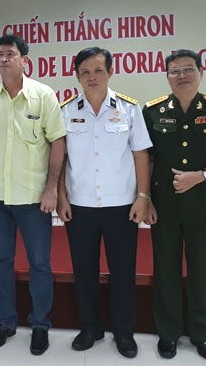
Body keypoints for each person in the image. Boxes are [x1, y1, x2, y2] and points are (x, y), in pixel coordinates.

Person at [143, 49, 206, 361]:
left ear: (201, 72)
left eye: (188, 69)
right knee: (166, 270)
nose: (182, 75)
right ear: (167, 76)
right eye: (175, 71)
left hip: (201, 203)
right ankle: (168, 334)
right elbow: (145, 159)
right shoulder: (153, 111)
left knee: (200, 270)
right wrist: (144, 199)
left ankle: (202, 334)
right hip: (165, 206)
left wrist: (199, 176)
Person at [57, 47, 152, 359]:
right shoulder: (67, 109)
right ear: (77, 77)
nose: (92, 77)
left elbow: (141, 155)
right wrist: (60, 196)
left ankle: (124, 332)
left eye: (98, 70)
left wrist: (142, 197)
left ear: (110, 72)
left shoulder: (128, 109)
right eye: (85, 72)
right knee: (84, 271)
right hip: (80, 205)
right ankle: (90, 327)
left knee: (123, 271)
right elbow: (60, 157)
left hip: (121, 204)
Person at [0, 34, 66, 356]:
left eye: (11, 54)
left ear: (24, 60)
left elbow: (57, 141)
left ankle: (40, 324)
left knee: (40, 263)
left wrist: (52, 187)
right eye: (0, 54)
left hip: (33, 198)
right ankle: (6, 322)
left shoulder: (43, 95)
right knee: (0, 261)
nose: (4, 59)